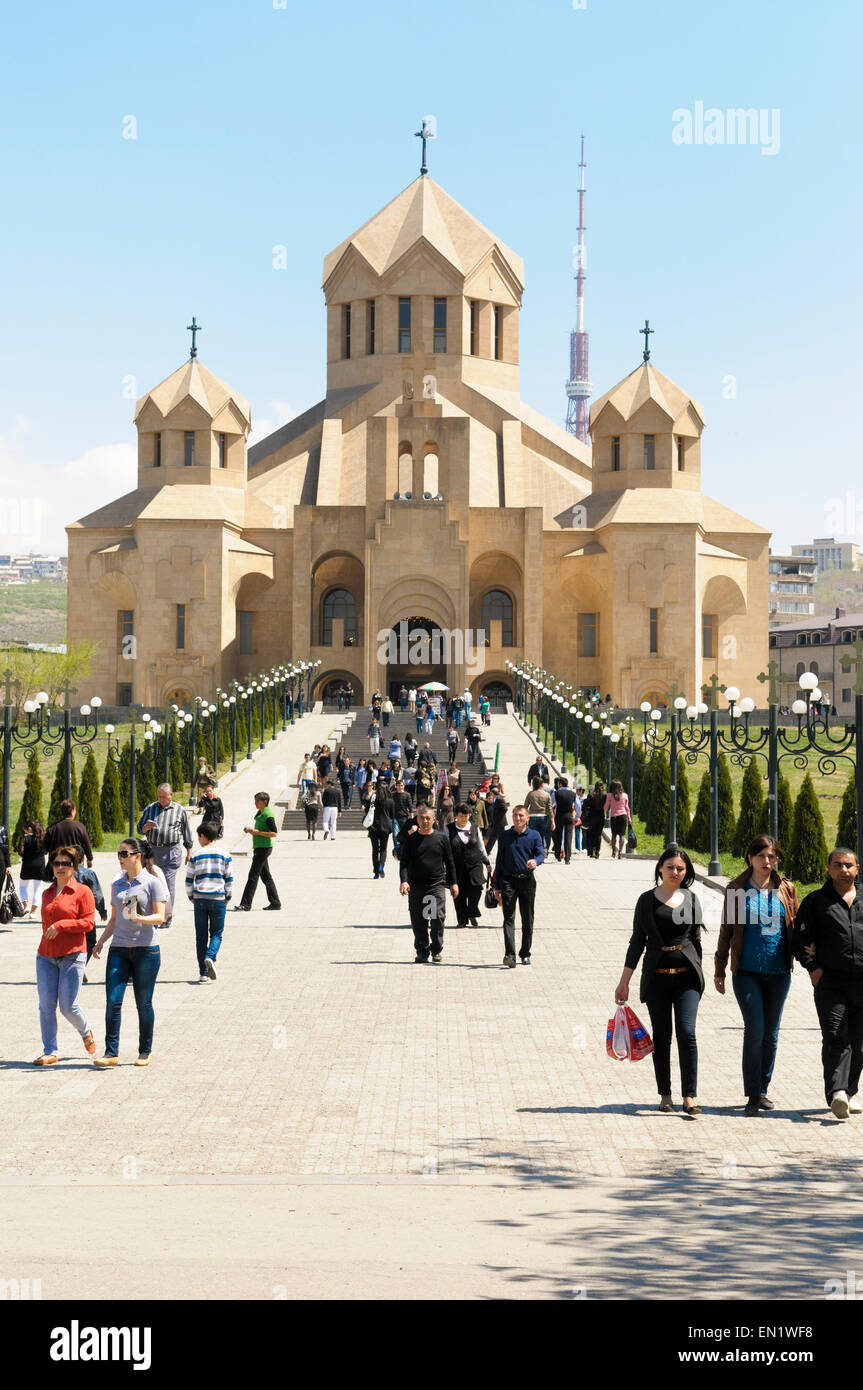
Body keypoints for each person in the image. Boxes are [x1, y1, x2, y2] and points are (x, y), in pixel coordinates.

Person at [615, 845, 704, 1116]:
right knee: (662, 1036)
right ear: (660, 869)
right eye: (670, 867)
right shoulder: (646, 900)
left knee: (687, 1033)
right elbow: (636, 943)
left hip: (687, 979)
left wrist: (701, 972)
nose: (675, 872)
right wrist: (624, 981)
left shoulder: (691, 899)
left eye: (680, 868)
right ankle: (665, 1094)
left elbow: (696, 941)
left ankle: (690, 1095)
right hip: (656, 980)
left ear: (686, 872)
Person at [715, 835, 798, 1116]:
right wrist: (719, 969)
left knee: (771, 1035)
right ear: (749, 858)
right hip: (747, 972)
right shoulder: (738, 890)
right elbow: (727, 930)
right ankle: (752, 1094)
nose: (767, 862)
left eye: (772, 857)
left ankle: (763, 1089)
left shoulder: (786, 889)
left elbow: (797, 927)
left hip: (779, 973)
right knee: (756, 1030)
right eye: (761, 856)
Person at [793, 847, 863, 1120]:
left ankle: (850, 1091)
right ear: (828, 868)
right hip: (831, 982)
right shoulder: (816, 902)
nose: (843, 870)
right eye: (837, 865)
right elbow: (799, 940)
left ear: (857, 868)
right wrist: (813, 969)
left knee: (858, 1042)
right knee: (836, 1036)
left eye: (848, 865)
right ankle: (838, 1092)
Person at [92, 838, 167, 1066]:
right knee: (113, 1001)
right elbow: (114, 919)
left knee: (143, 1003)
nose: (120, 858)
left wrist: (140, 918)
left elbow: (160, 916)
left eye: (124, 853)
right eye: (119, 853)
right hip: (119, 950)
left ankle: (145, 1050)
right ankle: (111, 1053)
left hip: (146, 950)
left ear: (137, 855)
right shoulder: (117, 884)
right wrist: (101, 942)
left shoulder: (152, 882)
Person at [32, 844, 96, 1066]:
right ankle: (50, 1050)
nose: (60, 867)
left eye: (65, 864)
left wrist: (62, 925)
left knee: (69, 1007)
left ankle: (86, 1030)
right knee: (46, 1005)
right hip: (46, 956)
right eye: (56, 863)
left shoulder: (83, 892)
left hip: (72, 955)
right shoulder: (47, 892)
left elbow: (88, 923)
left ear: (74, 867)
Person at [399, 804, 458, 963]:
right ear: (417, 819)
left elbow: (450, 862)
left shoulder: (441, 838)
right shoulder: (411, 840)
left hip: (436, 885)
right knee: (419, 920)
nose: (425, 821)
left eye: (427, 818)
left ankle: (436, 949)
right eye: (421, 818)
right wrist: (404, 881)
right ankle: (422, 950)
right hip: (416, 886)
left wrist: (453, 883)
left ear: (434, 820)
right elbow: (404, 862)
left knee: (437, 917)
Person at [493, 805, 544, 967]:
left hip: (527, 881)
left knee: (527, 919)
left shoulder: (534, 835)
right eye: (515, 815)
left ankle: (525, 953)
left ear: (527, 818)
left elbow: (541, 853)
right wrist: (497, 886)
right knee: (508, 918)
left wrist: (535, 861)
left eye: (521, 815)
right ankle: (510, 954)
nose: (517, 818)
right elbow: (499, 861)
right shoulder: (504, 836)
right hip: (508, 881)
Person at [136, 784, 193, 926]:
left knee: (168, 884)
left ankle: (166, 917)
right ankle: (153, 914)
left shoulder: (179, 810)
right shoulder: (150, 808)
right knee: (152, 883)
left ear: (171, 795)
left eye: (164, 797)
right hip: (152, 852)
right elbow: (139, 829)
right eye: (159, 796)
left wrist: (189, 851)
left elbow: (186, 832)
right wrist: (145, 828)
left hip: (171, 852)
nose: (161, 799)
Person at [185, 823, 233, 983]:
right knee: (217, 933)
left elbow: (188, 880)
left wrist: (192, 896)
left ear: (203, 836)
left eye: (198, 836)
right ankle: (210, 956)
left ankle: (203, 973)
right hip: (218, 898)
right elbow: (229, 879)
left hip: (200, 899)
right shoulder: (224, 855)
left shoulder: (196, 855)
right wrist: (228, 897)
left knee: (200, 936)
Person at [235, 793, 281, 911]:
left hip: (263, 848)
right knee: (266, 877)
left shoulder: (268, 814)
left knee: (253, 876)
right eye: (255, 801)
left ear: (265, 801)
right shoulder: (261, 813)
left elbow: (274, 833)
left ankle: (246, 904)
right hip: (260, 847)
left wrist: (256, 832)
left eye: (257, 801)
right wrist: (251, 831)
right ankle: (275, 903)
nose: (255, 803)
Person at [448, 803, 490, 926]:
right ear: (456, 816)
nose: (463, 819)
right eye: (461, 816)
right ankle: (461, 920)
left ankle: (471, 912)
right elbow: (445, 847)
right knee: (458, 893)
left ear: (469, 815)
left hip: (475, 864)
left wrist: (487, 862)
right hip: (457, 865)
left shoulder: (475, 827)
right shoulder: (449, 828)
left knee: (476, 891)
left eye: (466, 816)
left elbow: (481, 846)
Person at [44, 800, 94, 868]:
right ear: (73, 811)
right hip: (75, 864)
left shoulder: (52, 828)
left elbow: (45, 848)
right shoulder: (80, 826)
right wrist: (89, 859)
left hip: (57, 865)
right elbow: (86, 844)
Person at [363, 780, 393, 880]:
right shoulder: (390, 801)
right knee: (383, 849)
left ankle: (376, 871)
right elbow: (392, 816)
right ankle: (381, 866)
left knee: (375, 849)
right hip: (385, 827)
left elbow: (367, 811)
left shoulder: (372, 799)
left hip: (373, 827)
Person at [17, 819, 46, 916]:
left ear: (29, 829)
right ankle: (33, 912)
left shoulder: (25, 839)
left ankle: (26, 906)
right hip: (40, 865)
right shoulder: (42, 839)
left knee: (22, 886)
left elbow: (20, 852)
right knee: (38, 889)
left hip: (27, 865)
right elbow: (46, 851)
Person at [524, 776, 554, 852]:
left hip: (532, 816)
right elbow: (550, 809)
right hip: (543, 817)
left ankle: (533, 850)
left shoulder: (531, 794)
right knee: (542, 835)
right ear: (542, 784)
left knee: (532, 835)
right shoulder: (547, 795)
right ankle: (543, 849)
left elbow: (525, 807)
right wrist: (552, 821)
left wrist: (524, 818)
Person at [551, 777, 577, 864]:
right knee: (568, 836)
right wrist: (577, 816)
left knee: (558, 835)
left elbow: (552, 804)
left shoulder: (556, 793)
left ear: (560, 784)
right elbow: (578, 806)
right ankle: (567, 858)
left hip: (559, 816)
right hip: (569, 816)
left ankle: (558, 855)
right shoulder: (573, 794)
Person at [604, 780, 632, 859]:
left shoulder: (610, 795)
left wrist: (607, 805)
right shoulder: (625, 795)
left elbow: (606, 807)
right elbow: (627, 808)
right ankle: (620, 852)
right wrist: (629, 818)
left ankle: (613, 851)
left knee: (614, 835)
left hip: (614, 817)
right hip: (623, 817)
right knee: (622, 835)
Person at [390, 779, 413, 857]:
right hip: (395, 817)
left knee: (405, 835)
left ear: (404, 786)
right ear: (396, 786)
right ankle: (398, 851)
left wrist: (411, 821)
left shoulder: (407, 795)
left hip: (404, 818)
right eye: (398, 785)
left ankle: (404, 849)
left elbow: (410, 808)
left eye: (401, 785)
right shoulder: (392, 794)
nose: (400, 787)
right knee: (395, 835)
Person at [583, 782, 606, 860]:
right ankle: (597, 851)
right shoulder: (604, 796)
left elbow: (586, 805)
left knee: (592, 834)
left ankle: (592, 850)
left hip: (592, 817)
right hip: (601, 818)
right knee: (598, 835)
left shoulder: (591, 795)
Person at [485, 785, 508, 854]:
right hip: (497, 822)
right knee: (494, 837)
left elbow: (505, 809)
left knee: (495, 837)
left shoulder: (499, 799)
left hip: (499, 822)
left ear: (493, 793)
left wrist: (498, 817)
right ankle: (487, 851)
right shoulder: (496, 799)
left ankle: (487, 851)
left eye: (491, 793)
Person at [573, 787, 586, 853]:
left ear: (580, 791)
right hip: (577, 817)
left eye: (577, 791)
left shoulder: (586, 799)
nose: (576, 792)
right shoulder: (576, 798)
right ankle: (577, 848)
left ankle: (584, 847)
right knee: (577, 832)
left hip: (584, 818)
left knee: (584, 832)